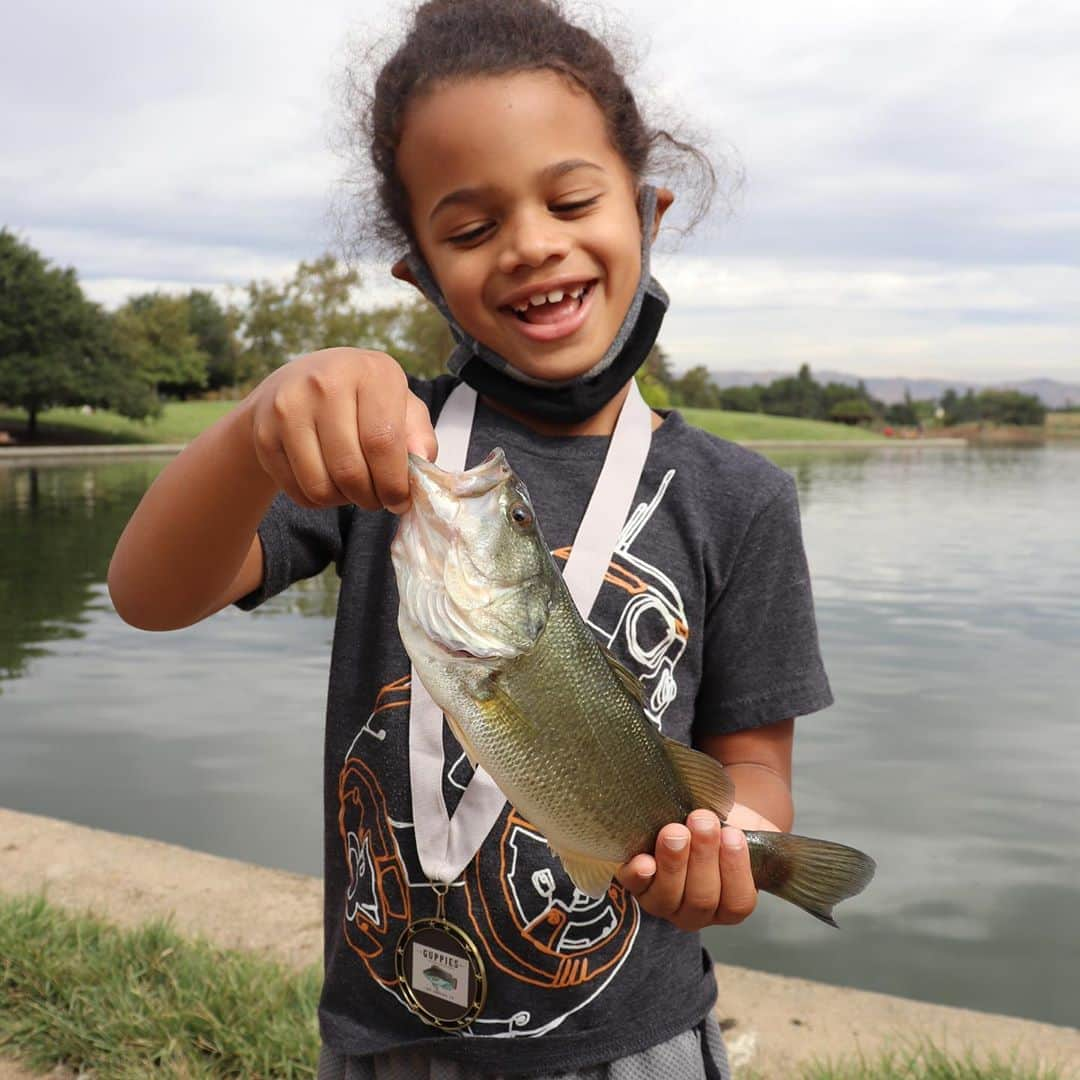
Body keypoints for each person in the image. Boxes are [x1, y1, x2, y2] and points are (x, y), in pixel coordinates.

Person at [108, 2, 833, 1076]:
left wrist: (733, 850)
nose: (533, 243)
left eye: (573, 198)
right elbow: (147, 594)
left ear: (649, 209)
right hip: (391, 1042)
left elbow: (752, 770)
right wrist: (259, 431)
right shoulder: (385, 453)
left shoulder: (744, 498)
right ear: (419, 272)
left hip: (638, 1043)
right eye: (469, 227)